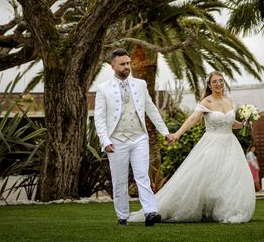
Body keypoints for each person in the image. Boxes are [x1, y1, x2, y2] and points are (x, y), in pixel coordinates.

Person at [128, 71, 255, 224]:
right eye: (215, 81)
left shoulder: (229, 101)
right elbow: (193, 118)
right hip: (211, 144)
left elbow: (229, 122)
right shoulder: (206, 102)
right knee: (204, 179)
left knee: (229, 178)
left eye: (221, 81)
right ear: (209, 85)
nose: (219, 84)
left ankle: (227, 209)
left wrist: (242, 125)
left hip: (231, 144)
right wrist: (177, 134)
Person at [94, 48, 175, 227]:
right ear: (112, 65)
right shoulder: (103, 89)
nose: (127, 67)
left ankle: (150, 212)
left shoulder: (140, 84)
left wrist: (165, 132)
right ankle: (122, 216)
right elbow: (99, 117)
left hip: (139, 137)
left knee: (142, 176)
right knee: (119, 180)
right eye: (122, 64)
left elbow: (151, 109)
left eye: (128, 63)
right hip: (115, 141)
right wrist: (105, 140)